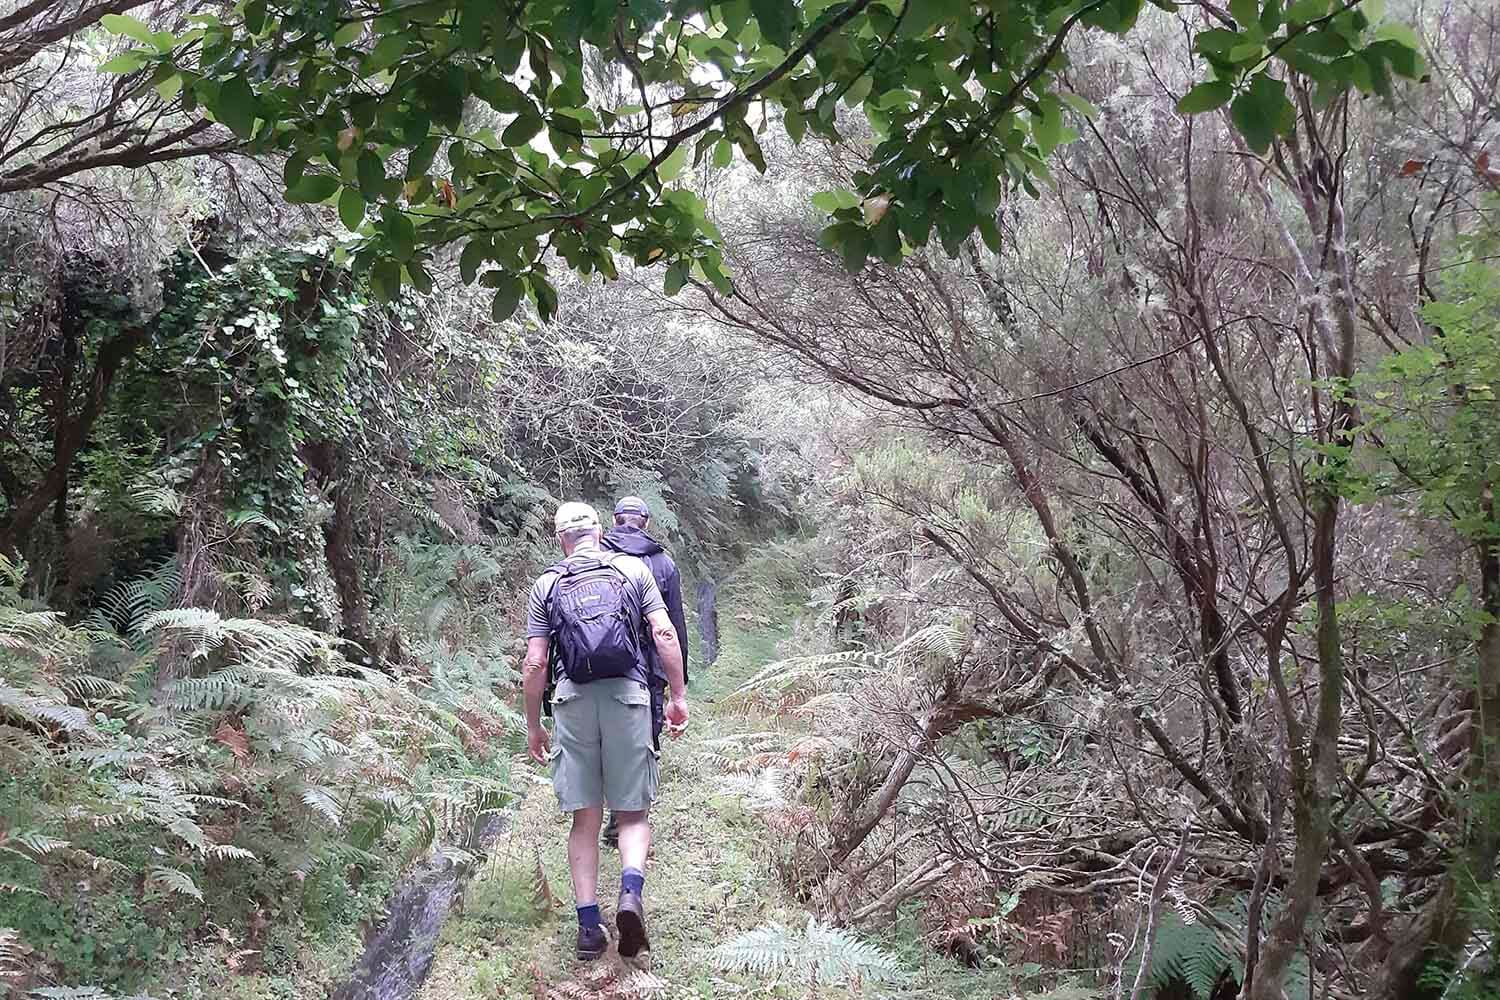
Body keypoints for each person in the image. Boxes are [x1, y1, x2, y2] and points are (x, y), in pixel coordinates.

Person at [522, 501, 689, 963]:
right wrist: (676, 696)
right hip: (629, 697)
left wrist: (534, 724)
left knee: (585, 818)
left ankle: (588, 929)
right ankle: (630, 894)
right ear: (599, 529)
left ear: (560, 539)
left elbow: (536, 662)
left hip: (573, 702)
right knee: (632, 813)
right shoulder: (634, 571)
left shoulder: (548, 584)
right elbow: (665, 634)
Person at [599, 495, 688, 848]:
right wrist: (679, 683)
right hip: (648, 668)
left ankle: (612, 815)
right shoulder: (663, 564)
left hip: (599, 664)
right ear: (646, 523)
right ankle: (630, 818)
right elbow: (674, 626)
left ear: (616, 519)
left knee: (605, 736)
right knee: (644, 740)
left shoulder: (594, 557)